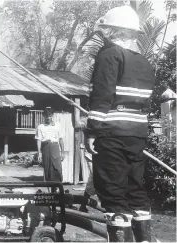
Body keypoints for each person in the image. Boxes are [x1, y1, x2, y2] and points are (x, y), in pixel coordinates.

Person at [85, 4, 155, 242]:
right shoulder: (144, 61)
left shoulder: (109, 55)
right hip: (137, 132)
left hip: (112, 131)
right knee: (135, 188)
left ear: (112, 30)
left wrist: (92, 130)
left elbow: (102, 95)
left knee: (113, 190)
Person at [36, 107, 65, 185]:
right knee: (47, 168)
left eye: (50, 115)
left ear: (52, 115)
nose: (48, 117)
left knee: (57, 167)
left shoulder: (58, 125)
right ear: (44, 116)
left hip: (55, 147)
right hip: (45, 147)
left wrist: (62, 152)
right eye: (46, 116)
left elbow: (61, 139)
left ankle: (58, 186)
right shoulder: (40, 126)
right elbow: (39, 140)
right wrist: (39, 153)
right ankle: (52, 189)